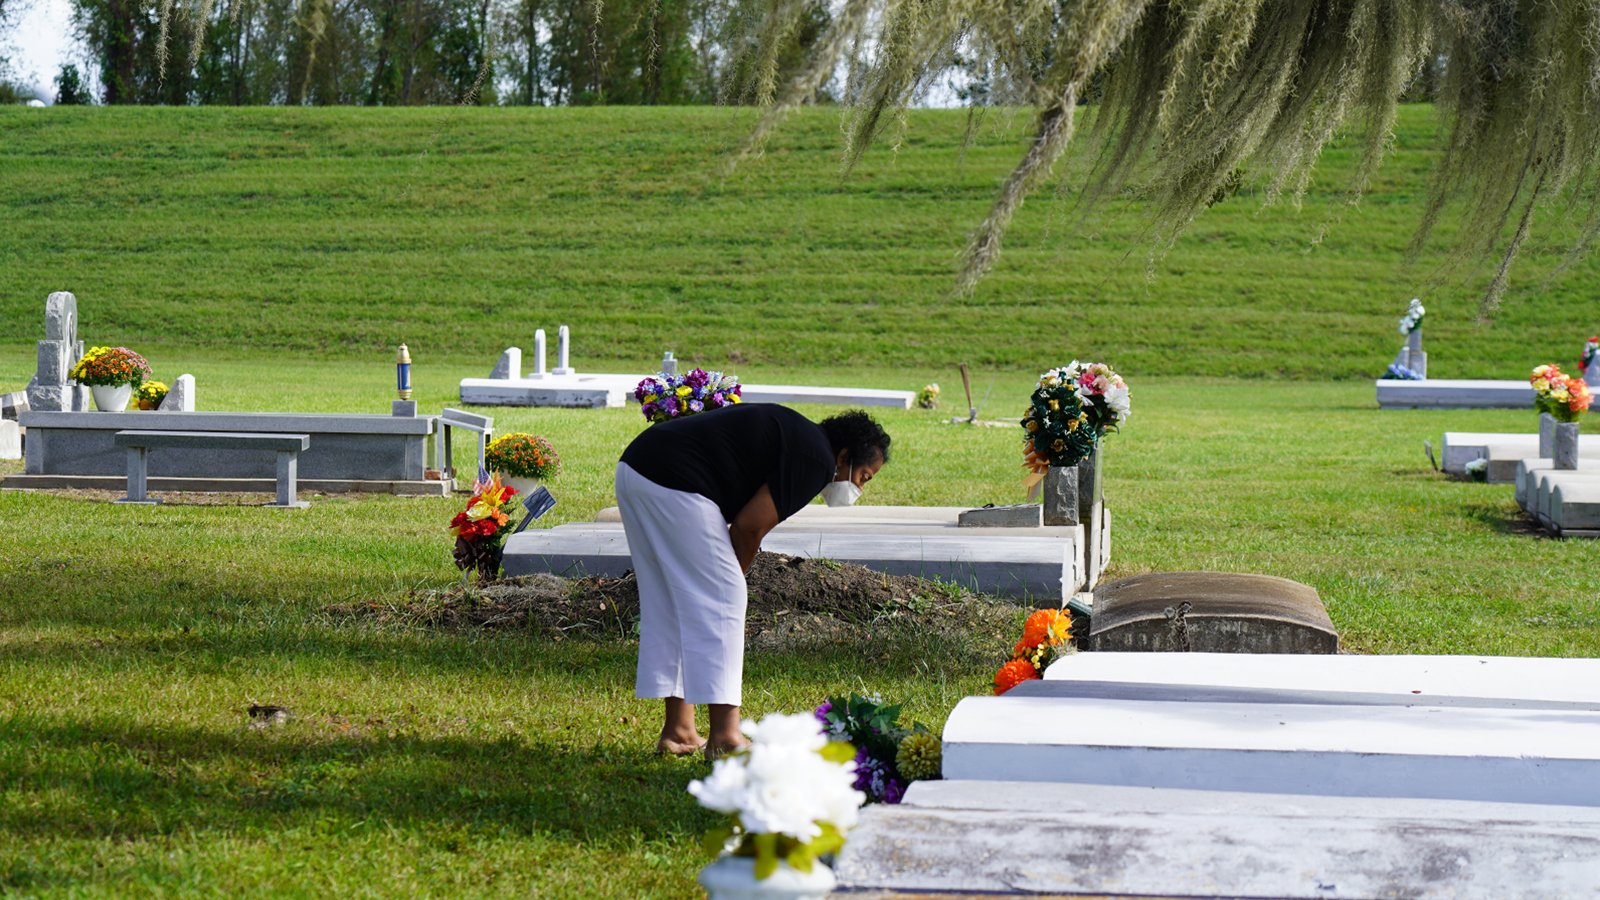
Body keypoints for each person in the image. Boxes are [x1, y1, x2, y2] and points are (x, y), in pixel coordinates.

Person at [614, 404, 891, 757]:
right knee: (724, 601)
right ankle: (726, 737)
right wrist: (733, 577)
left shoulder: (803, 439)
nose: (858, 488)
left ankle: (680, 731)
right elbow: (749, 525)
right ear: (845, 456)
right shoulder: (817, 459)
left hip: (637, 469)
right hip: (674, 481)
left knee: (671, 603)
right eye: (863, 476)